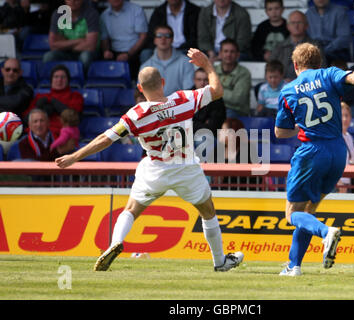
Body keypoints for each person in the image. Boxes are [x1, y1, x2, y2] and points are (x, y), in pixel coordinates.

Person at [55, 48, 244, 272]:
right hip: (185, 168)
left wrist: (75, 156)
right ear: (163, 82)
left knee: (131, 209)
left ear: (140, 88)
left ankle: (115, 242)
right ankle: (220, 261)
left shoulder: (136, 114)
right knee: (208, 211)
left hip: (155, 169)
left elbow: (106, 139)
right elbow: (217, 90)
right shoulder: (184, 99)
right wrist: (208, 65)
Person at [274, 42, 354, 276]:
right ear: (318, 62)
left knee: (292, 214)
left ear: (295, 65)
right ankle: (294, 266)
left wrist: (298, 126)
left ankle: (326, 233)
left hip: (311, 152)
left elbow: (280, 132)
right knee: (308, 212)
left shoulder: (288, 90)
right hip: (337, 152)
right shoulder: (329, 74)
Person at [24, 64, 84, 139]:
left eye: (63, 77)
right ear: (51, 80)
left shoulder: (75, 97)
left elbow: (73, 118)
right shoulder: (40, 97)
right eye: (56, 77)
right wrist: (38, 108)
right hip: (35, 135)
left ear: (68, 80)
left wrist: (54, 103)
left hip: (62, 136)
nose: (59, 80)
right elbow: (26, 120)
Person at [43, 0, 100, 72]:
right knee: (48, 57)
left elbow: (90, 46)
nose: (73, 1)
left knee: (85, 57)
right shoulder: (59, 14)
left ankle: (83, 82)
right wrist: (79, 41)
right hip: (66, 52)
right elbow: (53, 45)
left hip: (86, 52)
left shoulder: (91, 13)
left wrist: (64, 43)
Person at [270, 10, 325, 83]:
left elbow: (322, 69)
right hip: (282, 86)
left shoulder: (314, 46)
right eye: (293, 23)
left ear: (306, 25)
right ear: (288, 26)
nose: (296, 26)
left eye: (299, 22)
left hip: (307, 86)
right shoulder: (279, 46)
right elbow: (270, 69)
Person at [139, 25, 195, 96]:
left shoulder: (186, 62)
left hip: (179, 105)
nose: (163, 38)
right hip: (155, 106)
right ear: (154, 40)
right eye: (159, 35)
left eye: (167, 35)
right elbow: (143, 94)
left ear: (172, 39)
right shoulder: (145, 66)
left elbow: (188, 92)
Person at [100, 0, 148, 80]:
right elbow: (104, 39)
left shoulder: (136, 10)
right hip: (115, 53)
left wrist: (128, 54)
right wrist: (106, 51)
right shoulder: (104, 16)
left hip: (135, 52)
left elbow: (143, 37)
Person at [141, 0, 201, 64]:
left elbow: (197, 37)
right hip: (163, 49)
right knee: (146, 54)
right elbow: (152, 36)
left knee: (194, 56)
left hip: (186, 49)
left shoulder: (195, 11)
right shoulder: (159, 12)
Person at [305, 0, 352, 65]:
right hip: (315, 51)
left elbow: (344, 38)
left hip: (336, 52)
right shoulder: (308, 13)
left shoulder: (340, 11)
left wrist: (323, 51)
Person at [215, 38, 251, 118]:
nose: (228, 54)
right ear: (220, 54)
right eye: (225, 51)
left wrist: (216, 91)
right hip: (214, 108)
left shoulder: (244, 73)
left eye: (232, 51)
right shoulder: (213, 71)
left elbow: (237, 99)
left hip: (236, 111)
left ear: (238, 54)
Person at [192, 68, 226, 137]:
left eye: (205, 80)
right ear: (194, 80)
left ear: (210, 81)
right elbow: (182, 123)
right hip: (187, 135)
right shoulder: (186, 96)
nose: (202, 83)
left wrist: (192, 124)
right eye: (199, 79)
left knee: (203, 139)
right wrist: (204, 123)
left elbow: (213, 126)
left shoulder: (217, 99)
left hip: (208, 136)